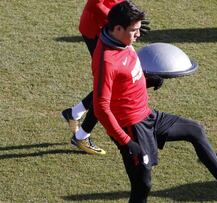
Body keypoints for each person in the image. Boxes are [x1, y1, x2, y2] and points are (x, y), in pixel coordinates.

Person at [92, 1, 217, 203]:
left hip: (148, 115)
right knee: (142, 185)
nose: (138, 35)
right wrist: (126, 141)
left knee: (195, 130)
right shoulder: (107, 61)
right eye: (134, 30)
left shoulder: (120, 38)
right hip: (131, 128)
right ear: (118, 29)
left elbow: (125, 75)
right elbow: (100, 107)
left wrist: (146, 79)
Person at [61, 0, 150, 155]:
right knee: (108, 88)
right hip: (101, 29)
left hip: (117, 25)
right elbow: (95, 5)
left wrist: (132, 18)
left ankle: (74, 113)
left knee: (109, 85)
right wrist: (124, 22)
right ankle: (81, 136)